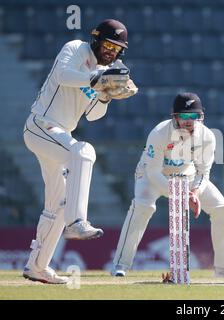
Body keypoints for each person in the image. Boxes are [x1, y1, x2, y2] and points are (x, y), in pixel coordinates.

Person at [22, 19, 137, 284]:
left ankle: (37, 267)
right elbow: (63, 75)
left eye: (116, 48)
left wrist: (107, 94)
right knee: (83, 152)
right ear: (96, 40)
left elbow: (93, 114)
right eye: (108, 44)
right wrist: (98, 79)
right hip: (40, 125)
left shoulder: (103, 70)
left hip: (60, 135)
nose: (111, 51)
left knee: (58, 204)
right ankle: (78, 222)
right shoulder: (75, 48)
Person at [111, 92, 224, 278]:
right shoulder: (159, 133)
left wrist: (194, 192)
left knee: (222, 207)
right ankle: (120, 265)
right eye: (184, 116)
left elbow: (203, 173)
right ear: (175, 116)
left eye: (194, 116)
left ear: (201, 117)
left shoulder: (207, 137)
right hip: (153, 177)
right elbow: (153, 172)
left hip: (187, 178)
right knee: (143, 206)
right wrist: (179, 194)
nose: (189, 121)